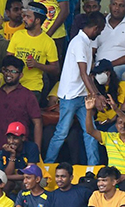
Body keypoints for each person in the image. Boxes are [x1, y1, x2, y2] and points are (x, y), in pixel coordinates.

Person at [43, 11, 104, 165]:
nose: (100, 33)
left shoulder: (86, 43)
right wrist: (95, 97)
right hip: (70, 96)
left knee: (90, 131)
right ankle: (48, 165)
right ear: (96, 28)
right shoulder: (79, 43)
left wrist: (96, 94)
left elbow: (88, 76)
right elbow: (84, 73)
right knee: (61, 133)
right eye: (101, 30)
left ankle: (93, 167)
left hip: (82, 95)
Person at [0, 56, 42, 173]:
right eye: (7, 70)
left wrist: (36, 150)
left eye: (14, 71)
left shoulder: (28, 96)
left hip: (19, 151)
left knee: (15, 185)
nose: (9, 74)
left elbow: (37, 123)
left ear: (21, 75)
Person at [5, 2, 59, 96]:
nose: (24, 19)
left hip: (33, 88)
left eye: (28, 17)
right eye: (24, 16)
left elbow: (56, 69)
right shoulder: (17, 35)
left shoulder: (48, 42)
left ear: (37, 20)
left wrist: (37, 65)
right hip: (13, 85)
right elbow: (8, 59)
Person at [91, 0, 125, 80]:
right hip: (99, 65)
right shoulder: (100, 25)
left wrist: (108, 65)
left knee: (113, 72)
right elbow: (92, 50)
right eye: (114, 4)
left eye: (121, 6)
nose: (117, 8)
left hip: (122, 66)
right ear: (109, 6)